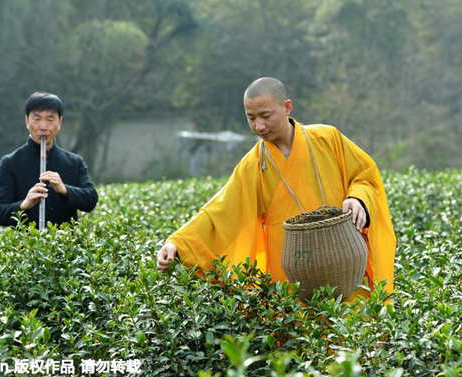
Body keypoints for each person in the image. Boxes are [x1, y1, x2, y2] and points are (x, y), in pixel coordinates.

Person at [156, 77, 396, 301]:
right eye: (251, 118)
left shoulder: (327, 138)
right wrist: (178, 244)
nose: (259, 126)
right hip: (291, 275)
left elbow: (365, 176)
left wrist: (357, 198)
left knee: (349, 332)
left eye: (265, 115)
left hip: (344, 262)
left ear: (287, 107)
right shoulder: (254, 164)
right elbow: (220, 212)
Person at [0, 92, 98, 227]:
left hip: (66, 246)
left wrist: (65, 190)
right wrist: (24, 204)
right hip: (26, 247)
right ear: (27, 121)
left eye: (50, 119)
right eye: (36, 119)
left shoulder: (74, 162)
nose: (43, 127)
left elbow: (91, 200)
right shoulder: (10, 162)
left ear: (59, 122)